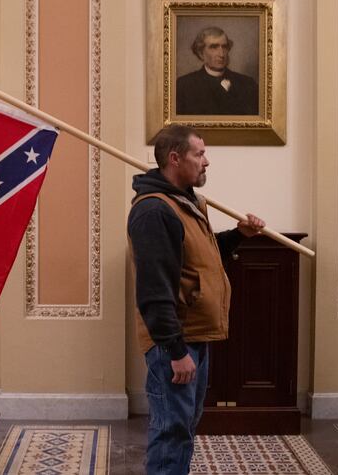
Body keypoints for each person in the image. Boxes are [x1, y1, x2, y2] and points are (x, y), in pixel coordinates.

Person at [128, 124, 265, 474]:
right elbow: (155, 291)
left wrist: (238, 235)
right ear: (175, 158)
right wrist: (175, 352)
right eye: (199, 154)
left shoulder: (187, 202)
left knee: (183, 427)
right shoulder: (154, 211)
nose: (207, 162)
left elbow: (200, 254)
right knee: (171, 430)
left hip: (194, 338)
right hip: (174, 343)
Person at [176, 26, 259, 115]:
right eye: (214, 47)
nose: (221, 54)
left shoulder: (248, 84)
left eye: (224, 47)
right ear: (201, 53)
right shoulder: (183, 85)